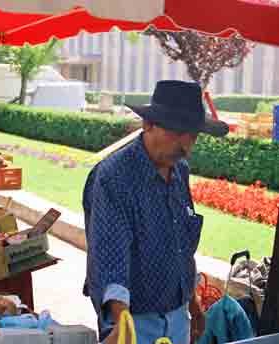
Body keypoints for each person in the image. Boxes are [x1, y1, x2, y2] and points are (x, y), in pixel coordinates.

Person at [83, 80, 230, 344]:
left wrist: (193, 303)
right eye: (177, 132)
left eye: (193, 136)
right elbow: (109, 255)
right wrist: (122, 322)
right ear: (148, 124)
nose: (185, 146)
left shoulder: (179, 170)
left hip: (177, 317)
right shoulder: (113, 177)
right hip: (134, 320)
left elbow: (181, 244)